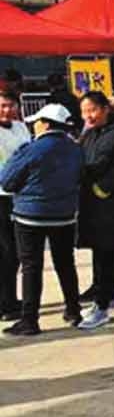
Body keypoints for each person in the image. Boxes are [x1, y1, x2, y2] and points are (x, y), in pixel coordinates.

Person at [0, 104, 83, 336]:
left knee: (31, 267)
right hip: (65, 215)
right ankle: (73, 310)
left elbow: (7, 181)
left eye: (37, 122)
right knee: (66, 264)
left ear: (45, 124)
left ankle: (30, 320)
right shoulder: (75, 149)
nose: (34, 126)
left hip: (31, 216)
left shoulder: (32, 149)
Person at [75, 92, 114, 330]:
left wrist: (102, 189)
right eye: (84, 111)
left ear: (105, 109)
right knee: (99, 250)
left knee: (107, 251)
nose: (88, 116)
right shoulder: (91, 133)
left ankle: (102, 306)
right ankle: (103, 297)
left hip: (111, 203)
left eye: (92, 110)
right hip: (92, 203)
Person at [0, 91, 31, 321]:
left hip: (19, 195)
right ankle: (6, 303)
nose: (7, 110)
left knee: (17, 252)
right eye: (2, 106)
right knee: (5, 252)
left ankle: (10, 297)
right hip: (1, 196)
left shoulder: (21, 128)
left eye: (11, 105)